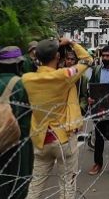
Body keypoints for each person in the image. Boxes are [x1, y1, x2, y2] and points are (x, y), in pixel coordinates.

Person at [22, 38, 93, 199]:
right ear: (57, 57)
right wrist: (72, 43)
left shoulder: (27, 79)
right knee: (67, 185)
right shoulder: (64, 76)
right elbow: (88, 60)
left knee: (35, 186)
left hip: (41, 139)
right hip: (63, 139)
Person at [0, 46, 32, 199]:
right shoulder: (22, 84)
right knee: (18, 183)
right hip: (19, 143)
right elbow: (28, 114)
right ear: (17, 65)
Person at [87, 45, 109, 175]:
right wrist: (90, 98)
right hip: (100, 108)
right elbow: (91, 86)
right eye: (103, 55)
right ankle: (97, 163)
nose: (104, 58)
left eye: (107, 56)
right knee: (99, 137)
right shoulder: (96, 70)